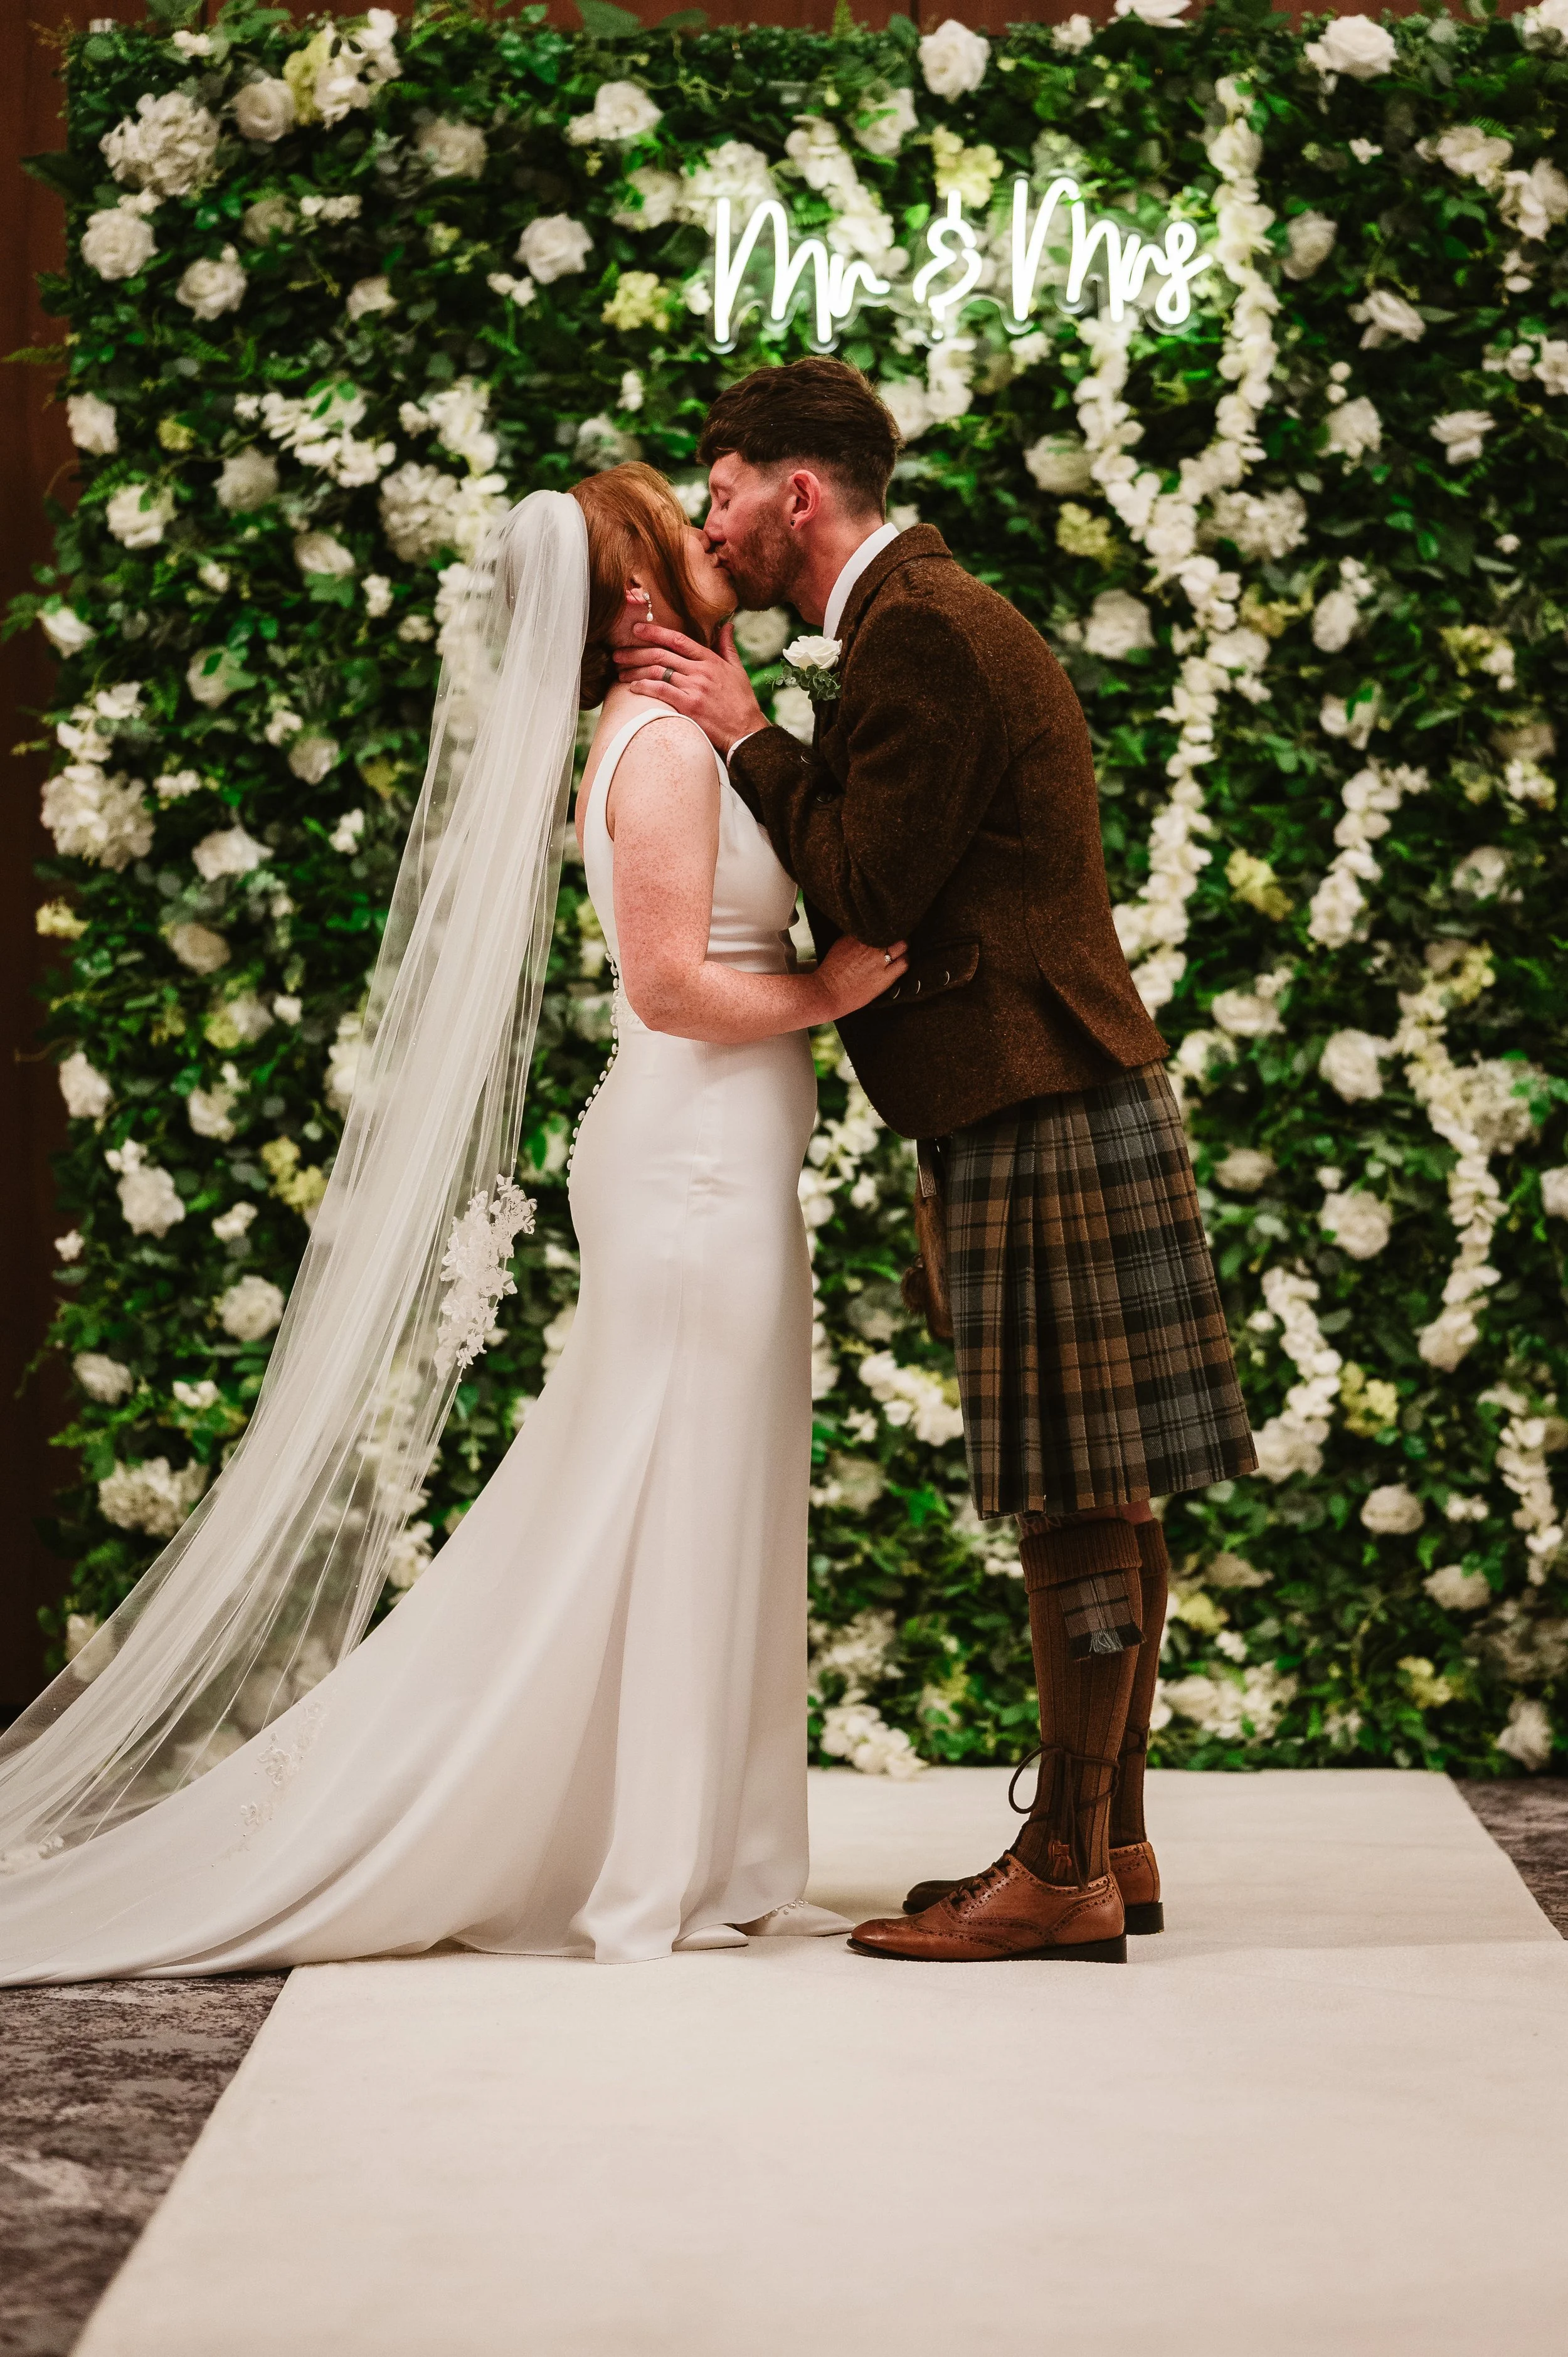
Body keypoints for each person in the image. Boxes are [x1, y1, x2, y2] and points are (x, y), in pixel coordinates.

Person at [0, 466, 905, 1980]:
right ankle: (650, 1870)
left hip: (719, 1163)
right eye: (687, 531)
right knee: (674, 1492)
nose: (714, 534)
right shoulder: (661, 752)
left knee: (712, 1484)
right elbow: (670, 987)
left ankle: (718, 1847)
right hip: (688, 1166)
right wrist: (824, 993)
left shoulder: (688, 726)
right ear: (635, 594)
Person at [617, 357, 1258, 1964]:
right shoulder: (924, 620)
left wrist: (756, 734)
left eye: (721, 493)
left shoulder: (920, 635)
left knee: (1071, 1489)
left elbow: (868, 891)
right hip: (1044, 1082)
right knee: (1098, 1482)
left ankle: (1060, 1865)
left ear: (797, 494)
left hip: (1030, 1091)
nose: (712, 523)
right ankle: (1105, 1834)